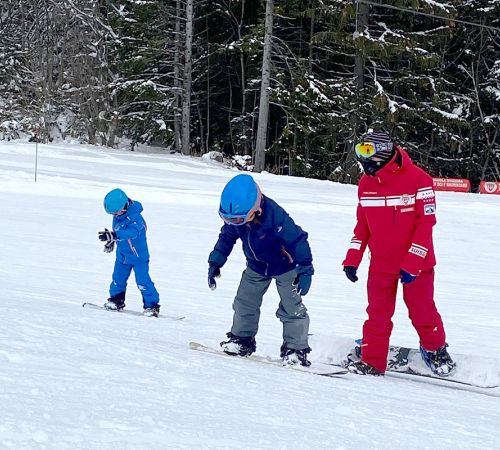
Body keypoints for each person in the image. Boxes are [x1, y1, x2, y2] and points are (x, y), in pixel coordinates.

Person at [342, 131, 456, 376]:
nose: (362, 158)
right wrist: (352, 258)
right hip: (381, 263)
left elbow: (425, 224)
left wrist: (413, 262)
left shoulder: (419, 179)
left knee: (422, 310)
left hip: (417, 263)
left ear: (383, 152)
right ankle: (372, 361)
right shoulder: (365, 184)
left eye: (367, 151)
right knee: (377, 314)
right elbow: (362, 226)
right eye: (360, 151)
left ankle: (435, 348)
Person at [207, 174, 314, 366]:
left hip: (286, 267)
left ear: (255, 209)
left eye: (238, 219)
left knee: (292, 307)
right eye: (228, 219)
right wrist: (216, 261)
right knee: (244, 302)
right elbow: (226, 238)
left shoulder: (275, 216)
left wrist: (305, 269)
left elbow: (298, 240)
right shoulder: (236, 221)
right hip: (256, 266)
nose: (234, 223)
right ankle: (241, 339)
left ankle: (295, 349)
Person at [98, 188, 160, 317]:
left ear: (124, 205)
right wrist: (111, 240)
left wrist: (115, 235)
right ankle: (116, 300)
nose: (115, 215)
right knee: (118, 279)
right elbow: (117, 230)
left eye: (116, 212)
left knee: (143, 282)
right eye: (112, 214)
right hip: (122, 256)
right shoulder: (118, 215)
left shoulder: (136, 218)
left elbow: (132, 232)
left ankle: (152, 306)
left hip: (139, 258)